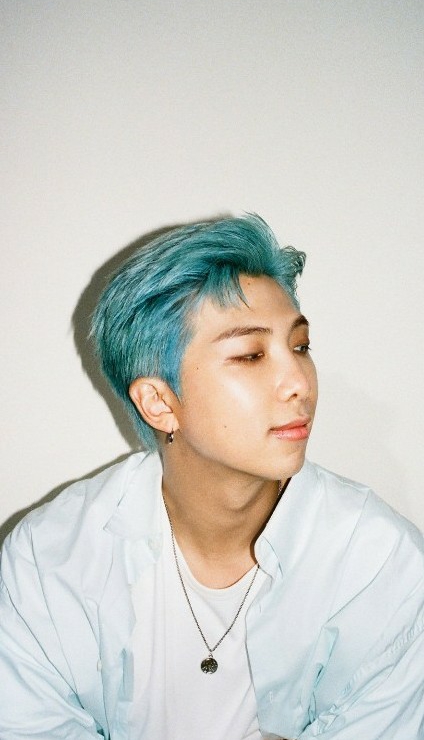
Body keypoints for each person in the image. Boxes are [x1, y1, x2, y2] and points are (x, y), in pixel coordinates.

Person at [0, 214, 422, 740]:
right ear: (159, 402)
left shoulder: (381, 564)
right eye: (250, 355)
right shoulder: (49, 561)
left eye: (300, 346)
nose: (299, 382)